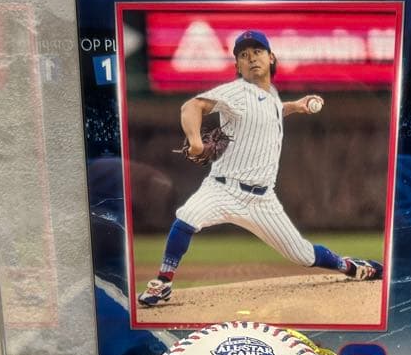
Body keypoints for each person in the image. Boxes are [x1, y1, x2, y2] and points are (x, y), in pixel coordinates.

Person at [138, 29, 383, 307]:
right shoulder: (237, 92)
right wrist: (195, 141)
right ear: (237, 65)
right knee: (187, 218)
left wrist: (294, 106)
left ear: (271, 57)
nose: (251, 58)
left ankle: (350, 266)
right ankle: (163, 281)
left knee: (302, 254)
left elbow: (269, 110)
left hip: (262, 200)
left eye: (257, 52)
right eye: (244, 55)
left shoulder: (271, 96)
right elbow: (191, 106)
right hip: (222, 189)